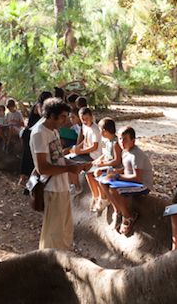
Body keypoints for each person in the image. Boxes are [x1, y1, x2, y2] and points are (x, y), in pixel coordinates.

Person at [29, 100, 86, 250]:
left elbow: (58, 159)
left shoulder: (54, 131)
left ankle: (61, 261)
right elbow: (42, 168)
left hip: (62, 187)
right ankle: (49, 263)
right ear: (52, 115)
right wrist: (68, 169)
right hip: (52, 189)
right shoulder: (39, 134)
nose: (65, 121)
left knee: (64, 231)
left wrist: (72, 165)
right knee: (54, 234)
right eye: (62, 117)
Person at [100, 127, 154, 235]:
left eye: (125, 139)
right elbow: (126, 169)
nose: (122, 142)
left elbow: (137, 178)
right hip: (131, 181)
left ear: (133, 141)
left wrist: (117, 176)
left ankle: (128, 216)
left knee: (114, 189)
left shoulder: (136, 155)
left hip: (142, 184)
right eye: (120, 139)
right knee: (103, 182)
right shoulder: (125, 152)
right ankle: (118, 211)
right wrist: (115, 172)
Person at [86, 118, 122, 212]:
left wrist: (103, 164)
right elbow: (107, 154)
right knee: (88, 171)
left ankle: (104, 199)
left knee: (97, 172)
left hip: (114, 168)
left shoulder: (116, 143)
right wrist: (99, 160)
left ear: (104, 132)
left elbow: (117, 161)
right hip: (107, 164)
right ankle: (96, 196)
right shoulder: (108, 141)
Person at [19, 91, 49, 183]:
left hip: (35, 132)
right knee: (26, 155)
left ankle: (31, 178)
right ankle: (22, 177)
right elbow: (42, 114)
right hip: (29, 132)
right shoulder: (39, 105)